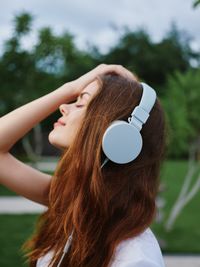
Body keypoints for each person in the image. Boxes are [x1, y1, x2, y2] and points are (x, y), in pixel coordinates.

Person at [0, 64, 166, 267]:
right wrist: (69, 88)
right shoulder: (71, 199)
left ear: (119, 134)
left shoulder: (135, 259)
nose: (63, 106)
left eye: (80, 103)